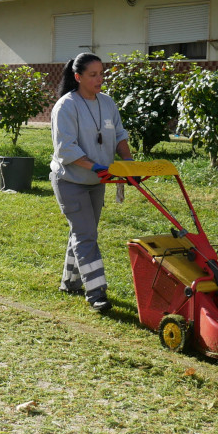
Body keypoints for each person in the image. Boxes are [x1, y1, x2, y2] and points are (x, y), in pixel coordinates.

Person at [49, 52, 133, 313]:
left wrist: (127, 161)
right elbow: (66, 150)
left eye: (102, 73)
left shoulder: (107, 103)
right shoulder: (66, 106)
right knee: (86, 235)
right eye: (93, 75)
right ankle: (96, 293)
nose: (100, 79)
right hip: (70, 181)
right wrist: (96, 166)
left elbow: (119, 134)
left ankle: (70, 281)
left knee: (82, 233)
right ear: (78, 77)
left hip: (97, 181)